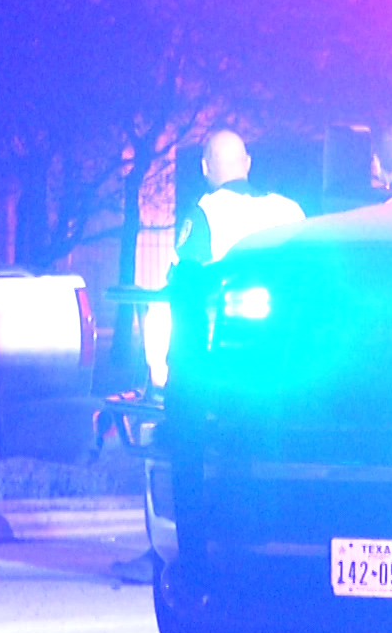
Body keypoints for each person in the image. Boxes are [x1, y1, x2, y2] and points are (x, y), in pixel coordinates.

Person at [117, 128, 304, 584]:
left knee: (191, 457)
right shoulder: (290, 210)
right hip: (285, 367)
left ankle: (195, 563)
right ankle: (273, 552)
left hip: (216, 364)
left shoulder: (205, 211)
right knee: (267, 459)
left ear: (204, 169)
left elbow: (187, 288)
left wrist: (172, 368)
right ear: (248, 163)